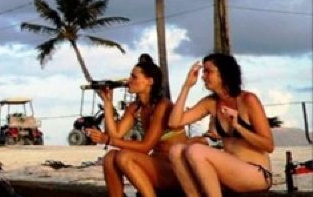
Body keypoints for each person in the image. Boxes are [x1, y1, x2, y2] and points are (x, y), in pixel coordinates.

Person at [168, 53, 274, 197]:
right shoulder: (211, 102)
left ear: (224, 74)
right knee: (176, 151)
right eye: (203, 71)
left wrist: (238, 127)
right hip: (229, 171)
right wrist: (187, 86)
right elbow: (174, 123)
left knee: (196, 151)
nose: (203, 77)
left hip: (256, 173)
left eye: (208, 71)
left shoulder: (248, 100)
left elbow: (268, 145)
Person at [88, 54, 187, 197]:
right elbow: (115, 134)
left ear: (150, 81)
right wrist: (108, 103)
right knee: (110, 157)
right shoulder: (135, 107)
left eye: (134, 77)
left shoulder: (163, 106)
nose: (129, 80)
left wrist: (108, 140)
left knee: (124, 157)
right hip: (155, 165)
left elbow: (146, 146)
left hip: (174, 170)